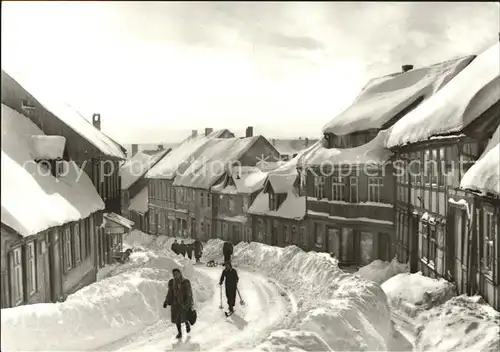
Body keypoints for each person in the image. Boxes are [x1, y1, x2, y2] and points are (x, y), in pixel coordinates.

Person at [163, 268, 194, 339]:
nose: (175, 275)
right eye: (174, 274)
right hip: (175, 303)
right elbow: (170, 293)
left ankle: (187, 323)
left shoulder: (185, 282)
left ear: (180, 273)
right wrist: (166, 301)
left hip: (183, 302)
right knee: (177, 319)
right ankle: (179, 333)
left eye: (177, 274)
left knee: (184, 316)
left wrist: (188, 303)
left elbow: (189, 293)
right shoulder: (171, 282)